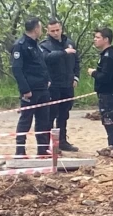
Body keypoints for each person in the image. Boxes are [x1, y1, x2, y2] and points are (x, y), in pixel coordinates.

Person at [11, 17, 51, 156]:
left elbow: (41, 64)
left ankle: (43, 150)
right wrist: (25, 90)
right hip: (30, 90)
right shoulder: (20, 45)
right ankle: (20, 150)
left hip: (43, 89)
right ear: (35, 29)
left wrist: (48, 80)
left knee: (43, 120)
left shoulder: (36, 44)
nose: (41, 30)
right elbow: (17, 69)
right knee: (25, 120)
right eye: (40, 27)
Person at [40, 18, 80, 152]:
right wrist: (63, 53)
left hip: (68, 85)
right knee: (51, 115)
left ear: (61, 28)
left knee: (64, 114)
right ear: (48, 31)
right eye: (52, 31)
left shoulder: (69, 43)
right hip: (53, 86)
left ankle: (62, 141)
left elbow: (76, 61)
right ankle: (50, 144)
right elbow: (46, 58)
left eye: (57, 30)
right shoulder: (44, 45)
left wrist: (76, 77)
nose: (56, 33)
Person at [89, 27, 113, 153]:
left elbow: (105, 77)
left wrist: (93, 73)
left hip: (108, 96)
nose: (95, 40)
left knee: (110, 125)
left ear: (106, 40)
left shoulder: (109, 57)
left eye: (98, 37)